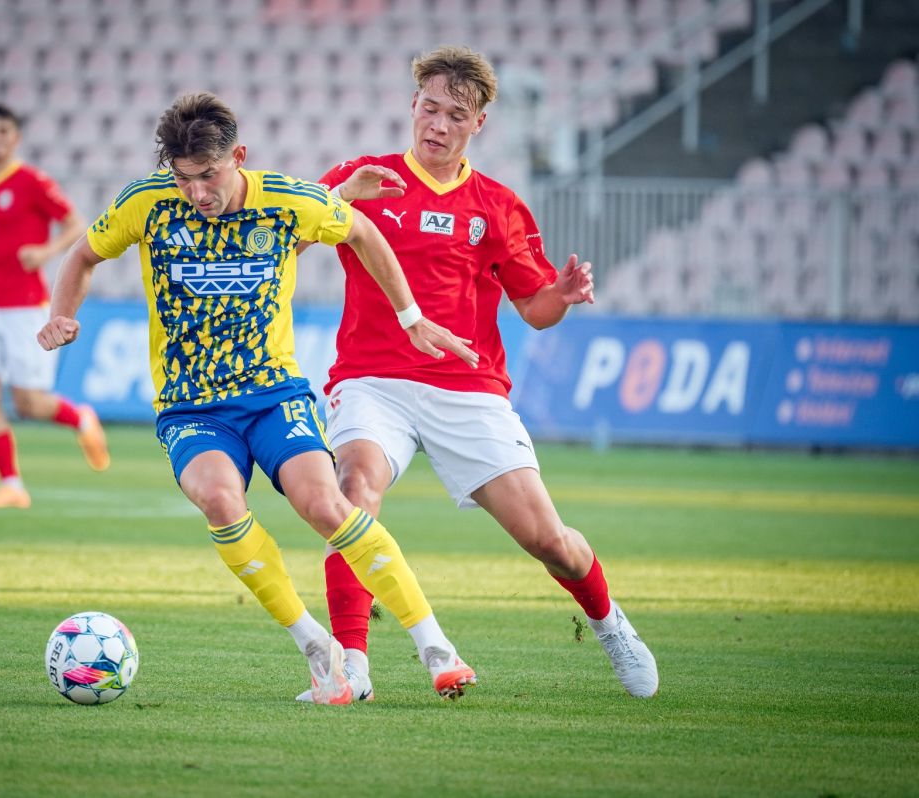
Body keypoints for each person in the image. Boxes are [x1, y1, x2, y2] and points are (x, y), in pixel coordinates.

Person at [38, 92, 480, 703]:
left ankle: (436, 647)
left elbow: (362, 231)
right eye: (184, 178)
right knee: (220, 500)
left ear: (238, 157)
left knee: (325, 505)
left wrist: (411, 317)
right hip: (191, 406)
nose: (197, 193)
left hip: (273, 394)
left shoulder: (288, 201)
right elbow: (83, 254)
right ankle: (317, 649)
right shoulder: (146, 202)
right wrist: (61, 314)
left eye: (209, 175)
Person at [296, 46, 658, 702]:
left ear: (479, 124)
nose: (437, 124)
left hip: (467, 387)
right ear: (413, 105)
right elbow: (286, 241)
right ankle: (352, 663)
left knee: (550, 541)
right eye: (429, 108)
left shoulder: (497, 206)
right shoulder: (362, 177)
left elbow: (534, 309)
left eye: (455, 116)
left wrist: (562, 296)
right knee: (353, 490)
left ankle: (611, 624)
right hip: (372, 379)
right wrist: (340, 197)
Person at [0, 103, 109, 509]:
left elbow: (76, 224)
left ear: (15, 138)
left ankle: (81, 419)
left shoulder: (32, 182)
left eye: (3, 131)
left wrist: (46, 252)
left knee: (28, 403)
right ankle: (11, 484)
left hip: (25, 304)